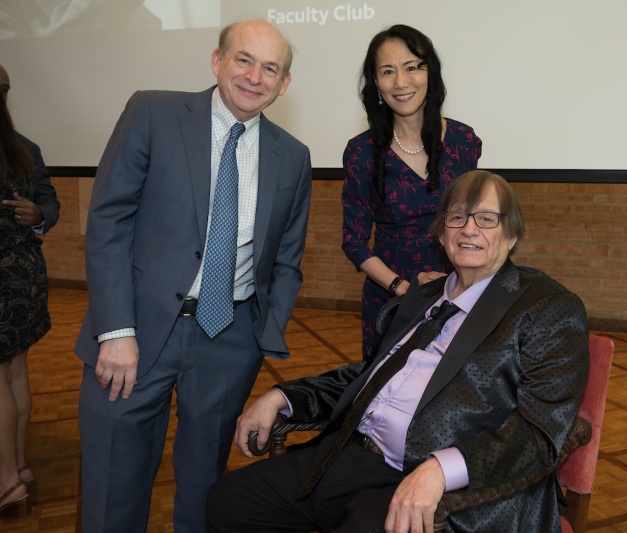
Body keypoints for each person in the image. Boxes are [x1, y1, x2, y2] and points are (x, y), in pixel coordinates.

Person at [207, 170, 589, 533]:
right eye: (457, 217)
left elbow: (539, 433)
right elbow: (369, 375)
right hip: (350, 455)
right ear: (440, 234)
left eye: (487, 219)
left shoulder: (546, 307)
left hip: (442, 488)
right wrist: (283, 397)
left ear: (511, 235)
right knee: (226, 501)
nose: (469, 229)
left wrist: (441, 470)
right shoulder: (421, 296)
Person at [73, 20, 312, 533]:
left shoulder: (293, 157)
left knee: (207, 492)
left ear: (284, 83)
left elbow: (288, 257)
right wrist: (115, 330)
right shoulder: (153, 113)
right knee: (113, 481)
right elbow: (108, 219)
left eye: (270, 68)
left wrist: (260, 334)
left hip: (230, 339)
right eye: (243, 60)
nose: (254, 76)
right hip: (134, 332)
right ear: (216, 61)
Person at [342, 24, 482, 359]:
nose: (401, 82)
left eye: (411, 67)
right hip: (391, 298)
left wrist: (462, 285)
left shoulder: (464, 141)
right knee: (383, 398)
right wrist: (403, 290)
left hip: (460, 291)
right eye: (387, 71)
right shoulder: (362, 151)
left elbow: (476, 224)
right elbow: (354, 242)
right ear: (376, 82)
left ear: (429, 73)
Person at [0, 63, 60, 521]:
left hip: (9, 276)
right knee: (15, 373)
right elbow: (49, 204)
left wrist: (37, 210)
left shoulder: (26, 148)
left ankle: (5, 485)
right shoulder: (24, 148)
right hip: (24, 275)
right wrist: (38, 209)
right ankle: (19, 468)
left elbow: (49, 205)